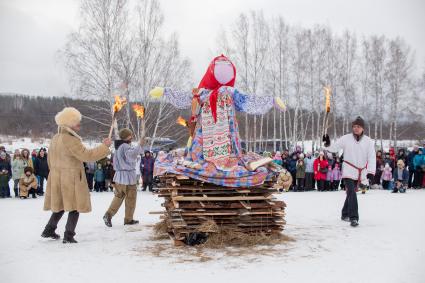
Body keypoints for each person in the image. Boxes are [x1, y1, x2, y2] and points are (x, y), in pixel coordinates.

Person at [41, 107, 111, 244]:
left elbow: (50, 160)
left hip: (57, 177)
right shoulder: (70, 140)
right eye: (76, 122)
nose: (79, 124)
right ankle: (68, 235)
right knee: (74, 207)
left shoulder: (55, 138)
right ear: (69, 123)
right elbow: (87, 155)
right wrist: (104, 147)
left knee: (60, 205)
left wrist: (57, 173)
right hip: (70, 179)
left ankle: (49, 230)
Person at [323, 116, 376, 227]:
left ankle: (344, 213)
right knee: (351, 192)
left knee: (351, 194)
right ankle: (354, 218)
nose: (356, 128)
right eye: (354, 126)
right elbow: (334, 148)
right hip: (348, 170)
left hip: (361, 172)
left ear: (363, 128)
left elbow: (372, 158)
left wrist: (370, 173)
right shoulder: (346, 138)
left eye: (358, 126)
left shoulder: (369, 142)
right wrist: (328, 143)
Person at [103, 128, 144, 227]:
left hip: (119, 177)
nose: (132, 137)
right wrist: (140, 145)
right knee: (131, 198)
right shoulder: (125, 146)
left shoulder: (118, 146)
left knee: (118, 197)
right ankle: (128, 219)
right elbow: (132, 155)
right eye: (130, 135)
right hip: (127, 177)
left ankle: (108, 215)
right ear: (127, 136)